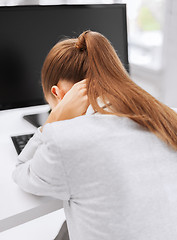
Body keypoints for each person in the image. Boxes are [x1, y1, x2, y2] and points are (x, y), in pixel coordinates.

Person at [12, 30, 177, 240]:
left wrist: (55, 119)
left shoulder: (65, 140)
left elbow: (21, 173)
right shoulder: (167, 117)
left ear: (57, 93)